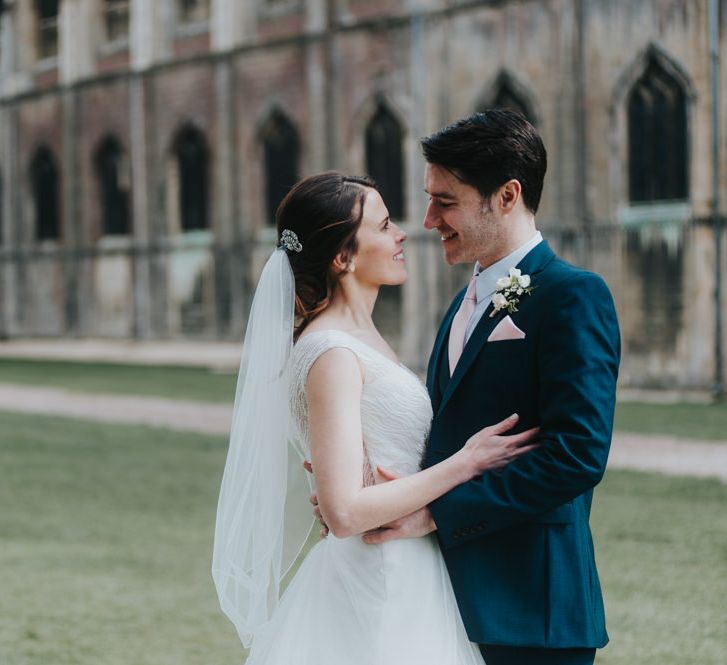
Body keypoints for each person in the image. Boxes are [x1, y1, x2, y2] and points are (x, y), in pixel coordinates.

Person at [212, 171, 539, 665]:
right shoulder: (332, 354)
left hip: (408, 570)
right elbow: (344, 512)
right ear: (343, 257)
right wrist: (466, 463)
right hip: (379, 578)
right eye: (384, 226)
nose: (402, 233)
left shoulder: (357, 339)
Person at [359, 110, 621, 665]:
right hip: (444, 601)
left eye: (446, 201)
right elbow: (447, 431)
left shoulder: (575, 296)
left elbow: (577, 455)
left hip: (531, 610)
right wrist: (363, 487)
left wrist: (438, 514)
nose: (429, 220)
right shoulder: (462, 304)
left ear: (507, 195)